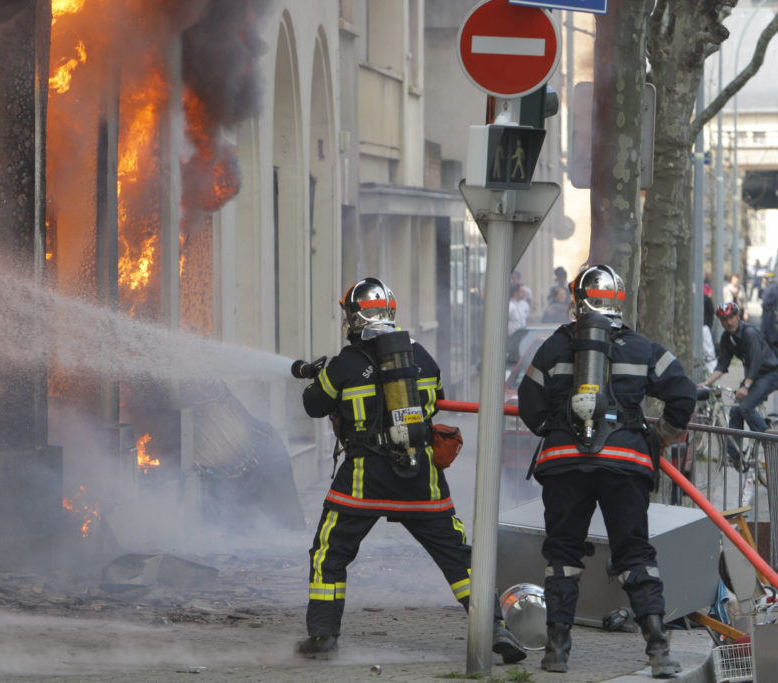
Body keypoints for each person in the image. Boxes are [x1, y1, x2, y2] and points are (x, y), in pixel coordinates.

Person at [294, 277, 526, 664]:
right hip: (421, 479)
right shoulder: (422, 357)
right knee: (458, 557)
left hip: (363, 480)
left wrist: (324, 375)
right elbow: (435, 401)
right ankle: (494, 627)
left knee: (329, 552)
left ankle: (322, 636)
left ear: (353, 317)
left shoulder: (345, 363)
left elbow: (314, 404)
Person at [517, 264, 696, 678]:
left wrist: (556, 431)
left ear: (576, 300)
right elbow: (683, 392)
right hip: (626, 464)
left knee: (562, 553)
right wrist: (663, 435)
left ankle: (556, 651)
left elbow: (529, 402)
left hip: (563, 465)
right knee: (634, 553)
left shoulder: (553, 347)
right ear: (619, 301)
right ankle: (659, 651)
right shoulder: (642, 347)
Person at [700, 302, 778, 470]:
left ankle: (771, 444)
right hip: (755, 376)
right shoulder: (727, 338)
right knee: (735, 410)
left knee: (745, 408)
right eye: (724, 319)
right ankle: (734, 455)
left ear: (738, 316)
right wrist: (706, 383)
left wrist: (746, 386)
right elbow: (721, 366)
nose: (728, 322)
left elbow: (756, 362)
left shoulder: (749, 333)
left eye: (731, 317)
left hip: (770, 374)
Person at [761, 276, 778, 350]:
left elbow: (776, 299)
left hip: (770, 313)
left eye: (764, 278)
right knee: (765, 331)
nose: (763, 280)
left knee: (771, 332)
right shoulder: (769, 287)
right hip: (766, 312)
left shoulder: (773, 287)